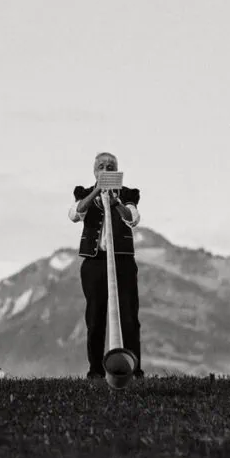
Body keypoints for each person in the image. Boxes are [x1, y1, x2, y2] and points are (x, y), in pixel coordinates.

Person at [68, 151, 144, 380]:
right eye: (101, 166)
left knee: (129, 317)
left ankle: (133, 369)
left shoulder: (128, 194)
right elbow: (75, 214)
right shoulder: (83, 193)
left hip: (123, 261)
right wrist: (96, 192)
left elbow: (133, 218)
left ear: (117, 170)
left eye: (111, 166)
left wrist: (116, 203)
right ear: (95, 171)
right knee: (95, 316)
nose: (106, 169)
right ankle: (95, 371)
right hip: (95, 262)